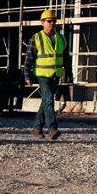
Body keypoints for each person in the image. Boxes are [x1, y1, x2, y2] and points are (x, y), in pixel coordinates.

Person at [23, 9, 71, 140]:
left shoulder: (61, 38)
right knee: (49, 99)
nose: (52, 23)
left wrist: (69, 73)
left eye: (54, 21)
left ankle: (37, 128)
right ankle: (52, 128)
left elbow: (66, 58)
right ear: (42, 23)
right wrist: (27, 76)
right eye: (49, 21)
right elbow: (28, 59)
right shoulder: (36, 38)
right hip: (42, 74)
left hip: (55, 74)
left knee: (46, 101)